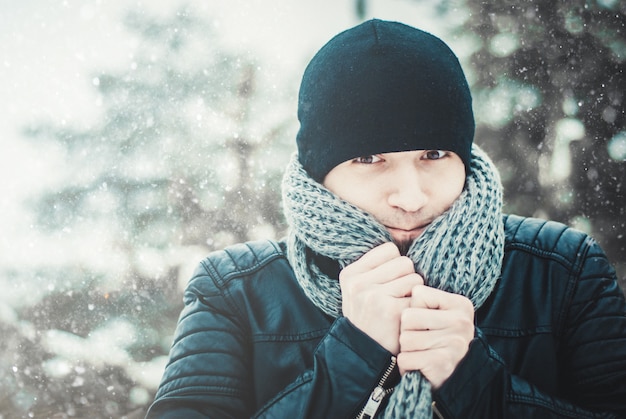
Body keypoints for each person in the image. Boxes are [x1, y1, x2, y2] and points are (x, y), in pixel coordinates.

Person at [146, 19, 626, 418]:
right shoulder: (234, 289)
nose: (411, 196)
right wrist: (355, 353)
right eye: (370, 159)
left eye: (433, 153)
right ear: (321, 174)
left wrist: (473, 380)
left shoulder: (564, 270)